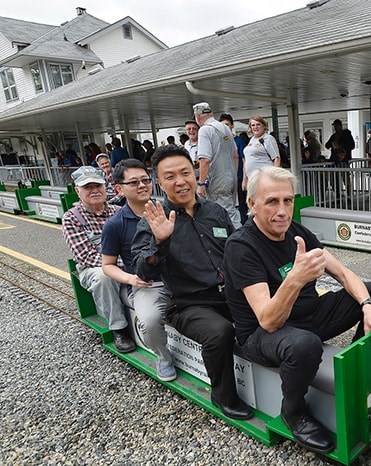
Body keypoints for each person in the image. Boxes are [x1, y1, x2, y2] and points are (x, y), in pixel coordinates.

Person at [224, 166, 371, 454]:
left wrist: (369, 307)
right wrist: (295, 278)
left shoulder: (297, 232)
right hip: (263, 335)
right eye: (271, 201)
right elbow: (268, 320)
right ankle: (293, 412)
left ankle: (354, 366)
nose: (282, 211)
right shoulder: (241, 246)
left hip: (309, 317)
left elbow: (344, 274)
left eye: (288, 201)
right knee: (304, 344)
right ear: (252, 204)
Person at [131, 144, 252, 420]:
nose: (180, 181)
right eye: (170, 176)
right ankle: (224, 396)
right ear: (159, 182)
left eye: (185, 172)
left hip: (231, 293)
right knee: (219, 332)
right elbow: (143, 271)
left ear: (195, 173)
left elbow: (237, 248)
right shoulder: (153, 219)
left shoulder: (215, 211)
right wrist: (160, 242)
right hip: (190, 304)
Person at [101, 159, 176, 382]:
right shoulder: (114, 225)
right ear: (119, 188)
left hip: (178, 278)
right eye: (134, 182)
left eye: (145, 180)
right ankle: (164, 358)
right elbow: (108, 265)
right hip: (147, 283)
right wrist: (131, 279)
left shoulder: (168, 208)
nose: (142, 185)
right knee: (150, 320)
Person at [62, 166, 135, 353]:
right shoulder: (71, 218)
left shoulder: (120, 211)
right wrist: (122, 267)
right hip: (94, 268)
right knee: (104, 277)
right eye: (88, 187)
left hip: (125, 263)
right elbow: (86, 255)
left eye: (98, 185)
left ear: (106, 187)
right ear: (78, 191)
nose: (94, 190)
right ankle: (119, 329)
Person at [193, 102, 241, 229]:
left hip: (216, 180)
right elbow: (236, 155)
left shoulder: (204, 130)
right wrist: (233, 175)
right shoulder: (225, 128)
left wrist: (201, 184)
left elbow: (205, 160)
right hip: (230, 177)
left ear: (197, 117)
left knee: (220, 215)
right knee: (231, 212)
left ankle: (238, 244)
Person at [242, 115, 280, 192]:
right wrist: (244, 179)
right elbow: (247, 160)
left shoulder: (268, 139)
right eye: (253, 125)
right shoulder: (252, 139)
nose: (255, 127)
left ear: (263, 126)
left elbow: (276, 158)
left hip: (265, 178)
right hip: (252, 180)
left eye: (258, 124)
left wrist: (274, 178)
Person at [325, 119, 355, 199]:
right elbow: (327, 145)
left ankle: (349, 196)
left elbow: (352, 145)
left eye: (336, 126)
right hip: (335, 160)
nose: (335, 128)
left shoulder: (347, 134)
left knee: (346, 179)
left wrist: (341, 147)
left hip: (343, 160)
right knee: (334, 179)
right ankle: (338, 196)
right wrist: (333, 145)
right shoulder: (334, 136)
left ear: (340, 125)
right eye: (334, 126)